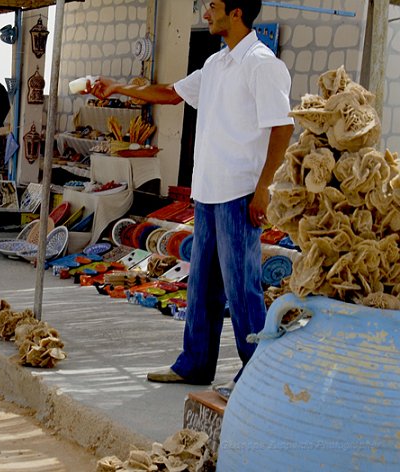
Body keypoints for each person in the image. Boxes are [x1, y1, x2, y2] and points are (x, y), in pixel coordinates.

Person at [87, 0, 294, 395]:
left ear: (235, 12)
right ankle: (196, 364)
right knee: (202, 286)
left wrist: (264, 188)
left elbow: (282, 128)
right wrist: (117, 87)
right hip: (208, 191)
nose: (205, 14)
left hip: (240, 192)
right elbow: (169, 93)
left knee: (243, 288)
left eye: (212, 6)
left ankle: (256, 375)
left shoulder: (263, 63)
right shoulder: (217, 64)